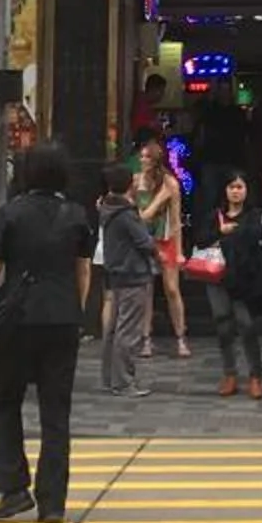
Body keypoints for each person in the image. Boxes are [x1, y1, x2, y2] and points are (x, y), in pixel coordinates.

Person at [0, 142, 90, 523]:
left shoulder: (11, 213)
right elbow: (83, 272)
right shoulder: (76, 215)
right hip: (63, 320)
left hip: (18, 321)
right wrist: (75, 311)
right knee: (56, 412)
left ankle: (13, 488)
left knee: (5, 400)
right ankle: (53, 504)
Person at [207, 170, 262, 399]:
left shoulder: (255, 214)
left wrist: (229, 236)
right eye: (231, 187)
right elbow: (200, 237)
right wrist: (220, 231)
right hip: (217, 277)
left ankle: (255, 376)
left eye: (240, 187)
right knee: (223, 325)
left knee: (247, 325)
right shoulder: (215, 216)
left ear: (247, 190)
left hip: (243, 279)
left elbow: (253, 236)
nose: (236, 192)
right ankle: (230, 374)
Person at [96, 165, 157, 398]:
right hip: (133, 273)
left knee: (113, 328)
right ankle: (123, 381)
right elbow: (145, 243)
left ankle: (109, 378)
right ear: (129, 183)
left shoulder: (106, 208)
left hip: (115, 274)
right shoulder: (126, 214)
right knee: (128, 329)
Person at [133, 136, 192, 360]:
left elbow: (176, 220)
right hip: (143, 239)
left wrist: (178, 251)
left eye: (147, 156)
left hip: (165, 237)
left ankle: (180, 336)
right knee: (146, 289)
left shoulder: (170, 183)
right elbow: (135, 212)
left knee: (172, 289)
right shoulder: (135, 180)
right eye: (141, 155)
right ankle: (145, 338)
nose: (142, 159)